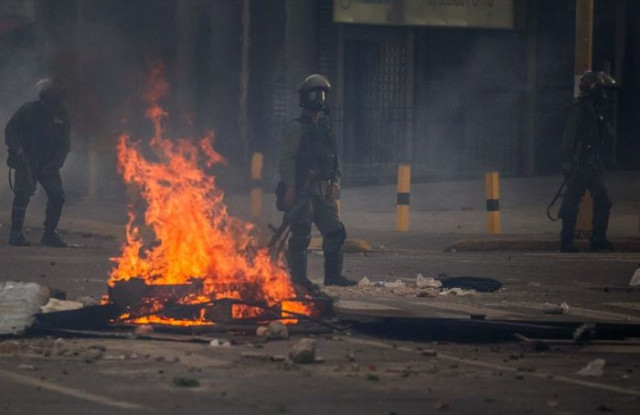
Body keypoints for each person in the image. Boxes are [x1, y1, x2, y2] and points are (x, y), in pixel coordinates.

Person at [278, 74, 355, 289]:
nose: (319, 99)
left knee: (335, 231)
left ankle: (333, 276)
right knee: (301, 234)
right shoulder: (296, 127)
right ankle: (298, 280)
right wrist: (290, 188)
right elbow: (287, 159)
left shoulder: (325, 127)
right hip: (302, 190)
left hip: (322, 189)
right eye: (315, 94)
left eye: (322, 94)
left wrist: (335, 182)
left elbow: (333, 157)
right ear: (305, 97)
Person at [5, 77, 70, 247]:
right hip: (27, 160)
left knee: (57, 196)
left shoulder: (61, 115)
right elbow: (10, 130)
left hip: (48, 164)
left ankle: (49, 234)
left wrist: (54, 164)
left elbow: (64, 144)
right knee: (23, 194)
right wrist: (18, 148)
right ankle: (15, 234)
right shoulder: (29, 110)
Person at [559, 71, 616, 253]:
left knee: (603, 201)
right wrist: (567, 163)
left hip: (592, 164)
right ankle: (567, 241)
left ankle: (598, 240)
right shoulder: (580, 110)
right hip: (581, 164)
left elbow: (607, 135)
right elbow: (568, 138)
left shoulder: (594, 110)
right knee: (571, 200)